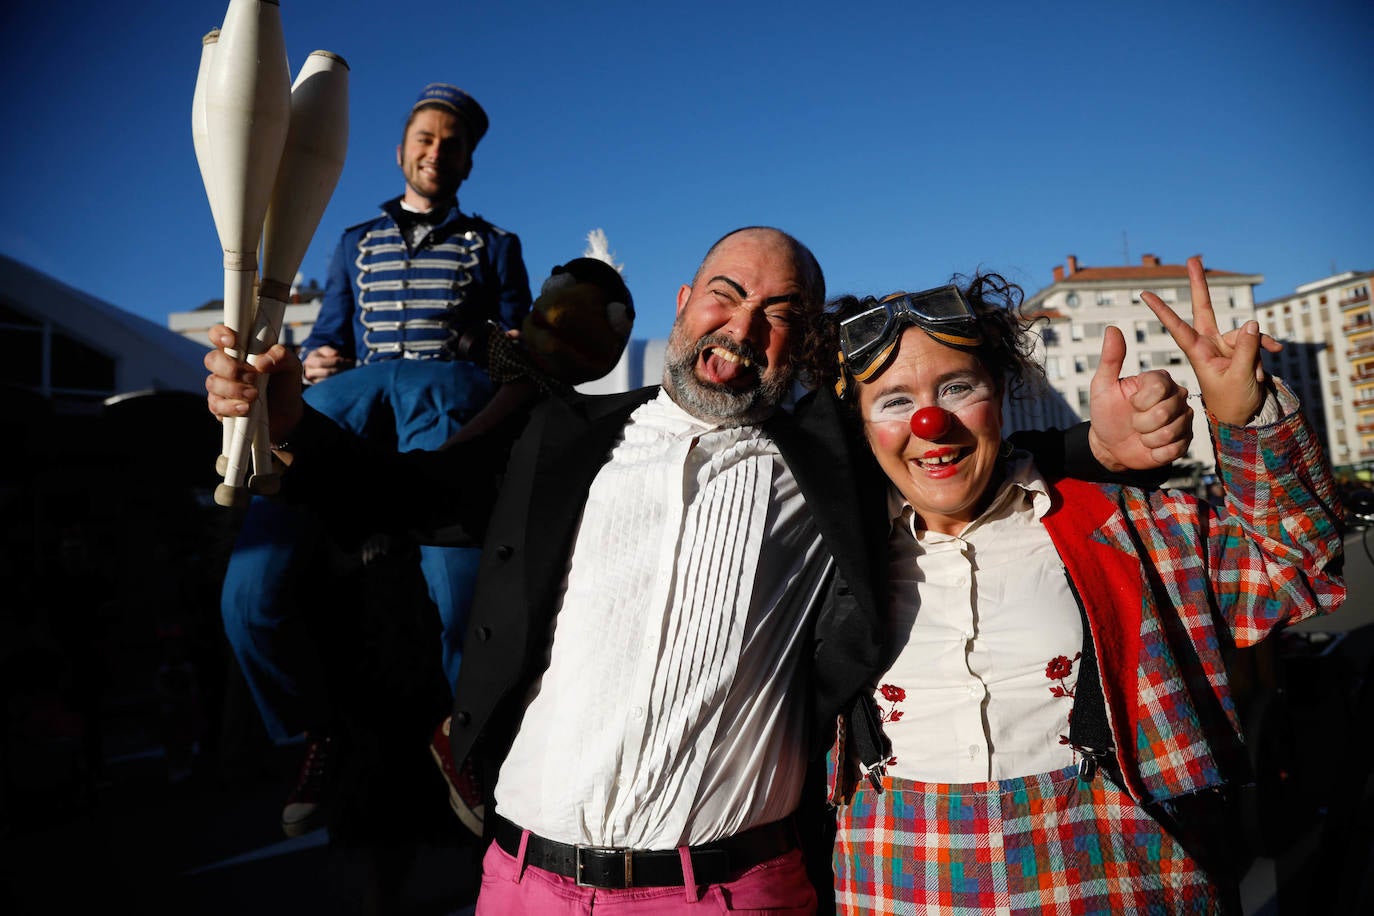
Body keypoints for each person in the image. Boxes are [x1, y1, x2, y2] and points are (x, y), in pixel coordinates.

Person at [204, 227, 1192, 912]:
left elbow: (948, 455)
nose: (743, 324)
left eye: (779, 311)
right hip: (522, 886)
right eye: (726, 292)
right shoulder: (561, 442)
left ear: (802, 340)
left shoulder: (833, 462)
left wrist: (1094, 447)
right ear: (683, 303)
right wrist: (287, 424)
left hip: (729, 894)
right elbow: (409, 495)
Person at [807, 260, 1345, 912]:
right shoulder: (825, 568)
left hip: (1122, 882)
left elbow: (1294, 571)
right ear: (862, 429)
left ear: (1000, 396)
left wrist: (1245, 414)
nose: (931, 423)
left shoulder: (1127, 529)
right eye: (895, 402)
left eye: (956, 388)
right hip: (901, 888)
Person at [218, 81, 532, 836]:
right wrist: (324, 357)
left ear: (467, 162)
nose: (436, 150)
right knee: (248, 593)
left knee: (461, 596)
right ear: (401, 151)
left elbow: (520, 350)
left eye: (451, 143)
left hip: (443, 400)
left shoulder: (493, 244)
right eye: (425, 137)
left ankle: (465, 735)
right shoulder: (355, 240)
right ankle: (311, 729)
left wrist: (503, 359)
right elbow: (333, 329)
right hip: (351, 399)